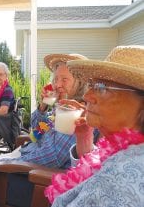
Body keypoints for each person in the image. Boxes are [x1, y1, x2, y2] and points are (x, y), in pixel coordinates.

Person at [0, 54, 98, 207]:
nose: (57, 85)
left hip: (42, 182)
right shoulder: (62, 108)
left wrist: (17, 159)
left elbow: (52, 158)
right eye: (56, 79)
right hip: (30, 160)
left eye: (64, 79)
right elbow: (35, 134)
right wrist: (42, 107)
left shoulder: (77, 114)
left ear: (80, 83)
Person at [45, 45, 144, 207]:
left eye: (102, 88)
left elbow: (51, 153)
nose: (87, 95)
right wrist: (84, 138)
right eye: (92, 85)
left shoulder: (118, 182)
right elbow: (91, 172)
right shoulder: (127, 149)